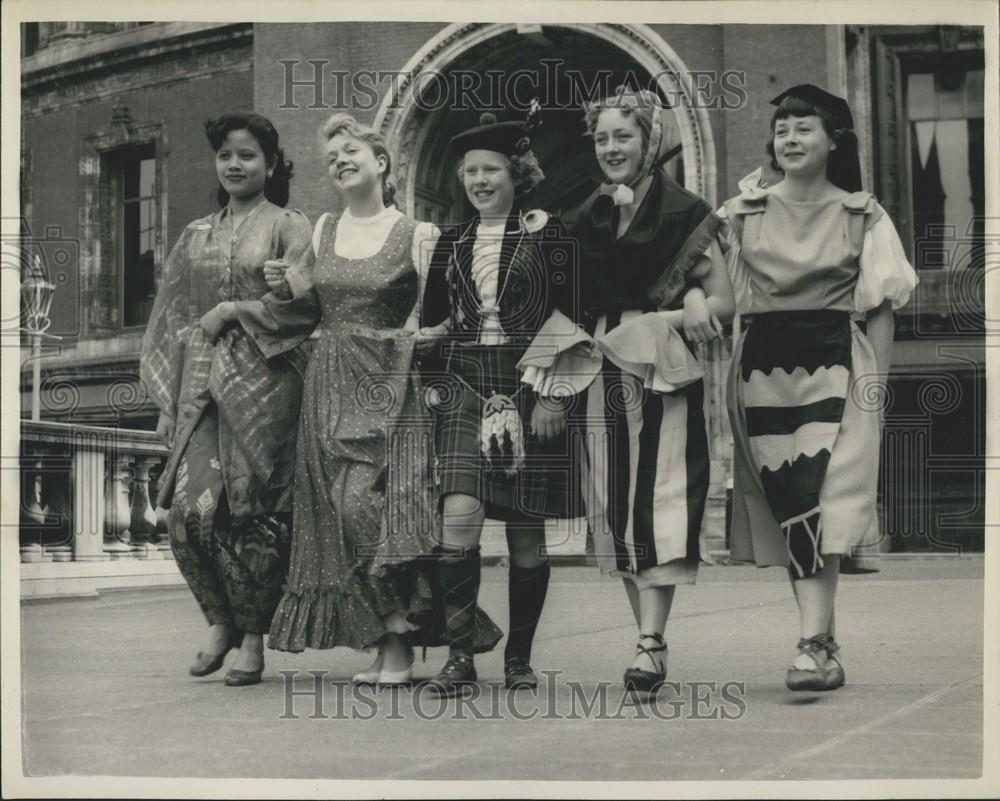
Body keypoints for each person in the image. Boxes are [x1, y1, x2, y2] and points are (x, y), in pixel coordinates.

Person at [266, 113, 501, 684]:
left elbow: (452, 319)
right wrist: (282, 288)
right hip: (329, 388)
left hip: (394, 390)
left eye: (351, 151)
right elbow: (303, 313)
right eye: (332, 158)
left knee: (369, 508)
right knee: (335, 519)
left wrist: (420, 341)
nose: (340, 161)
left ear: (382, 163)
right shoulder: (321, 231)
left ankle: (401, 636)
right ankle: (387, 642)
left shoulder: (419, 235)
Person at [720, 85, 916, 691]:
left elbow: (881, 305)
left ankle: (811, 645)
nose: (791, 138)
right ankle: (822, 643)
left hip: (840, 362)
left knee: (826, 498)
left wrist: (875, 389)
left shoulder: (863, 213)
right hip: (763, 370)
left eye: (804, 128)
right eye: (782, 129)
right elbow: (717, 292)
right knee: (793, 501)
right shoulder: (741, 214)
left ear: (834, 141)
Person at [140, 112, 320, 687]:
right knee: (188, 515)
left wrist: (243, 307)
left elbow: (309, 303)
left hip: (268, 386)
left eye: (247, 155)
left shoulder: (289, 226)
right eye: (226, 156)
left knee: (253, 514)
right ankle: (219, 619)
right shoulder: (195, 234)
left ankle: (251, 637)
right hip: (200, 387)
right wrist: (167, 401)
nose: (235, 164)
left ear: (270, 163)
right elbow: (169, 314)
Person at [564, 88, 734, 694]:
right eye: (603, 138)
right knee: (614, 500)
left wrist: (684, 306)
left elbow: (723, 300)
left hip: (660, 362)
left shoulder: (686, 211)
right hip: (601, 363)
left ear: (649, 140)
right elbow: (567, 303)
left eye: (624, 136)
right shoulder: (586, 215)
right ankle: (648, 641)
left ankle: (650, 642)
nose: (612, 148)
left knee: (661, 493)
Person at [418, 104, 580, 695]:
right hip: (464, 385)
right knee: (458, 516)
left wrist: (552, 395)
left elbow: (569, 318)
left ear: (516, 174)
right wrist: (431, 380)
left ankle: (518, 658)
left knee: (526, 535)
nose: (479, 182)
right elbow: (436, 323)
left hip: (528, 382)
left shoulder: (549, 234)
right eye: (469, 173)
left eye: (490, 170)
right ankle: (460, 657)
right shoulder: (452, 242)